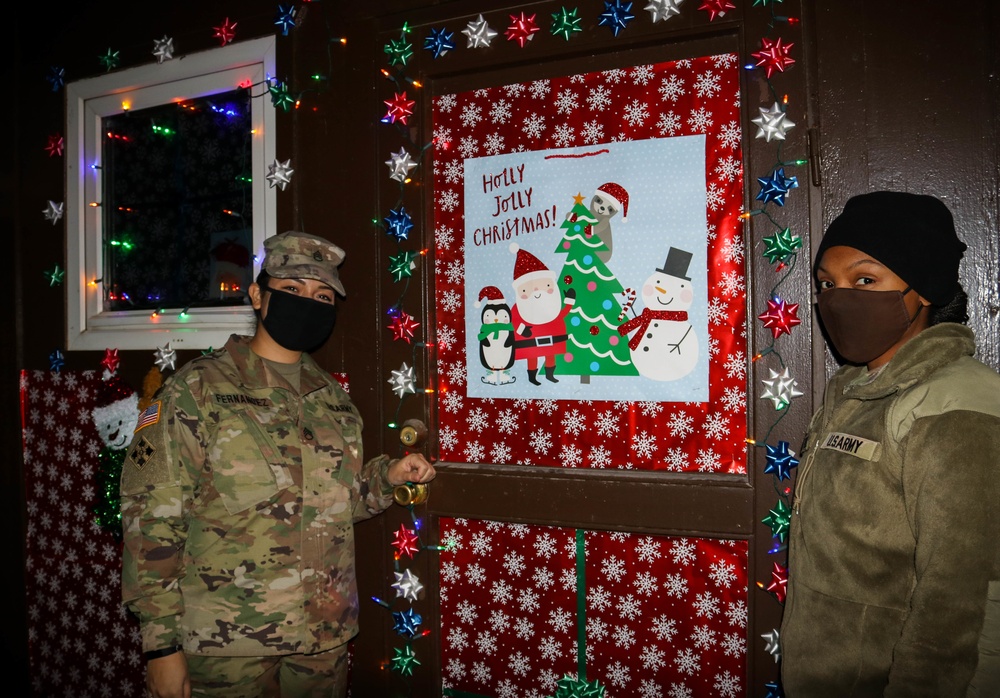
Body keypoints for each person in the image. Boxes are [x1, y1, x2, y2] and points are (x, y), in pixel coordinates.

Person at [120, 231, 436, 698]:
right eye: (292, 290)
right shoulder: (197, 390)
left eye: (322, 296)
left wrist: (385, 479)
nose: (309, 303)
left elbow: (337, 504)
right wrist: (160, 647)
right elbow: (151, 519)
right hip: (226, 648)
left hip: (322, 643)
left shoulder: (335, 404)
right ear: (257, 295)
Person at [780, 191, 1000, 696]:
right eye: (825, 284)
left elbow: (960, 602)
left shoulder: (956, 404)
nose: (838, 298)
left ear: (923, 288)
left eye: (864, 280)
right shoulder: (854, 392)